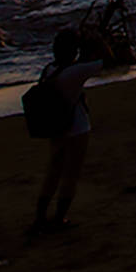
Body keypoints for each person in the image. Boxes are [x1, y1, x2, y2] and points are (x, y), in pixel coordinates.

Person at [32, 29, 97, 232]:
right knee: (71, 175)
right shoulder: (75, 72)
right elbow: (108, 58)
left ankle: (40, 217)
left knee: (53, 172)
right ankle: (60, 218)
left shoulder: (49, 70)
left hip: (56, 126)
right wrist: (95, 40)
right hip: (77, 127)